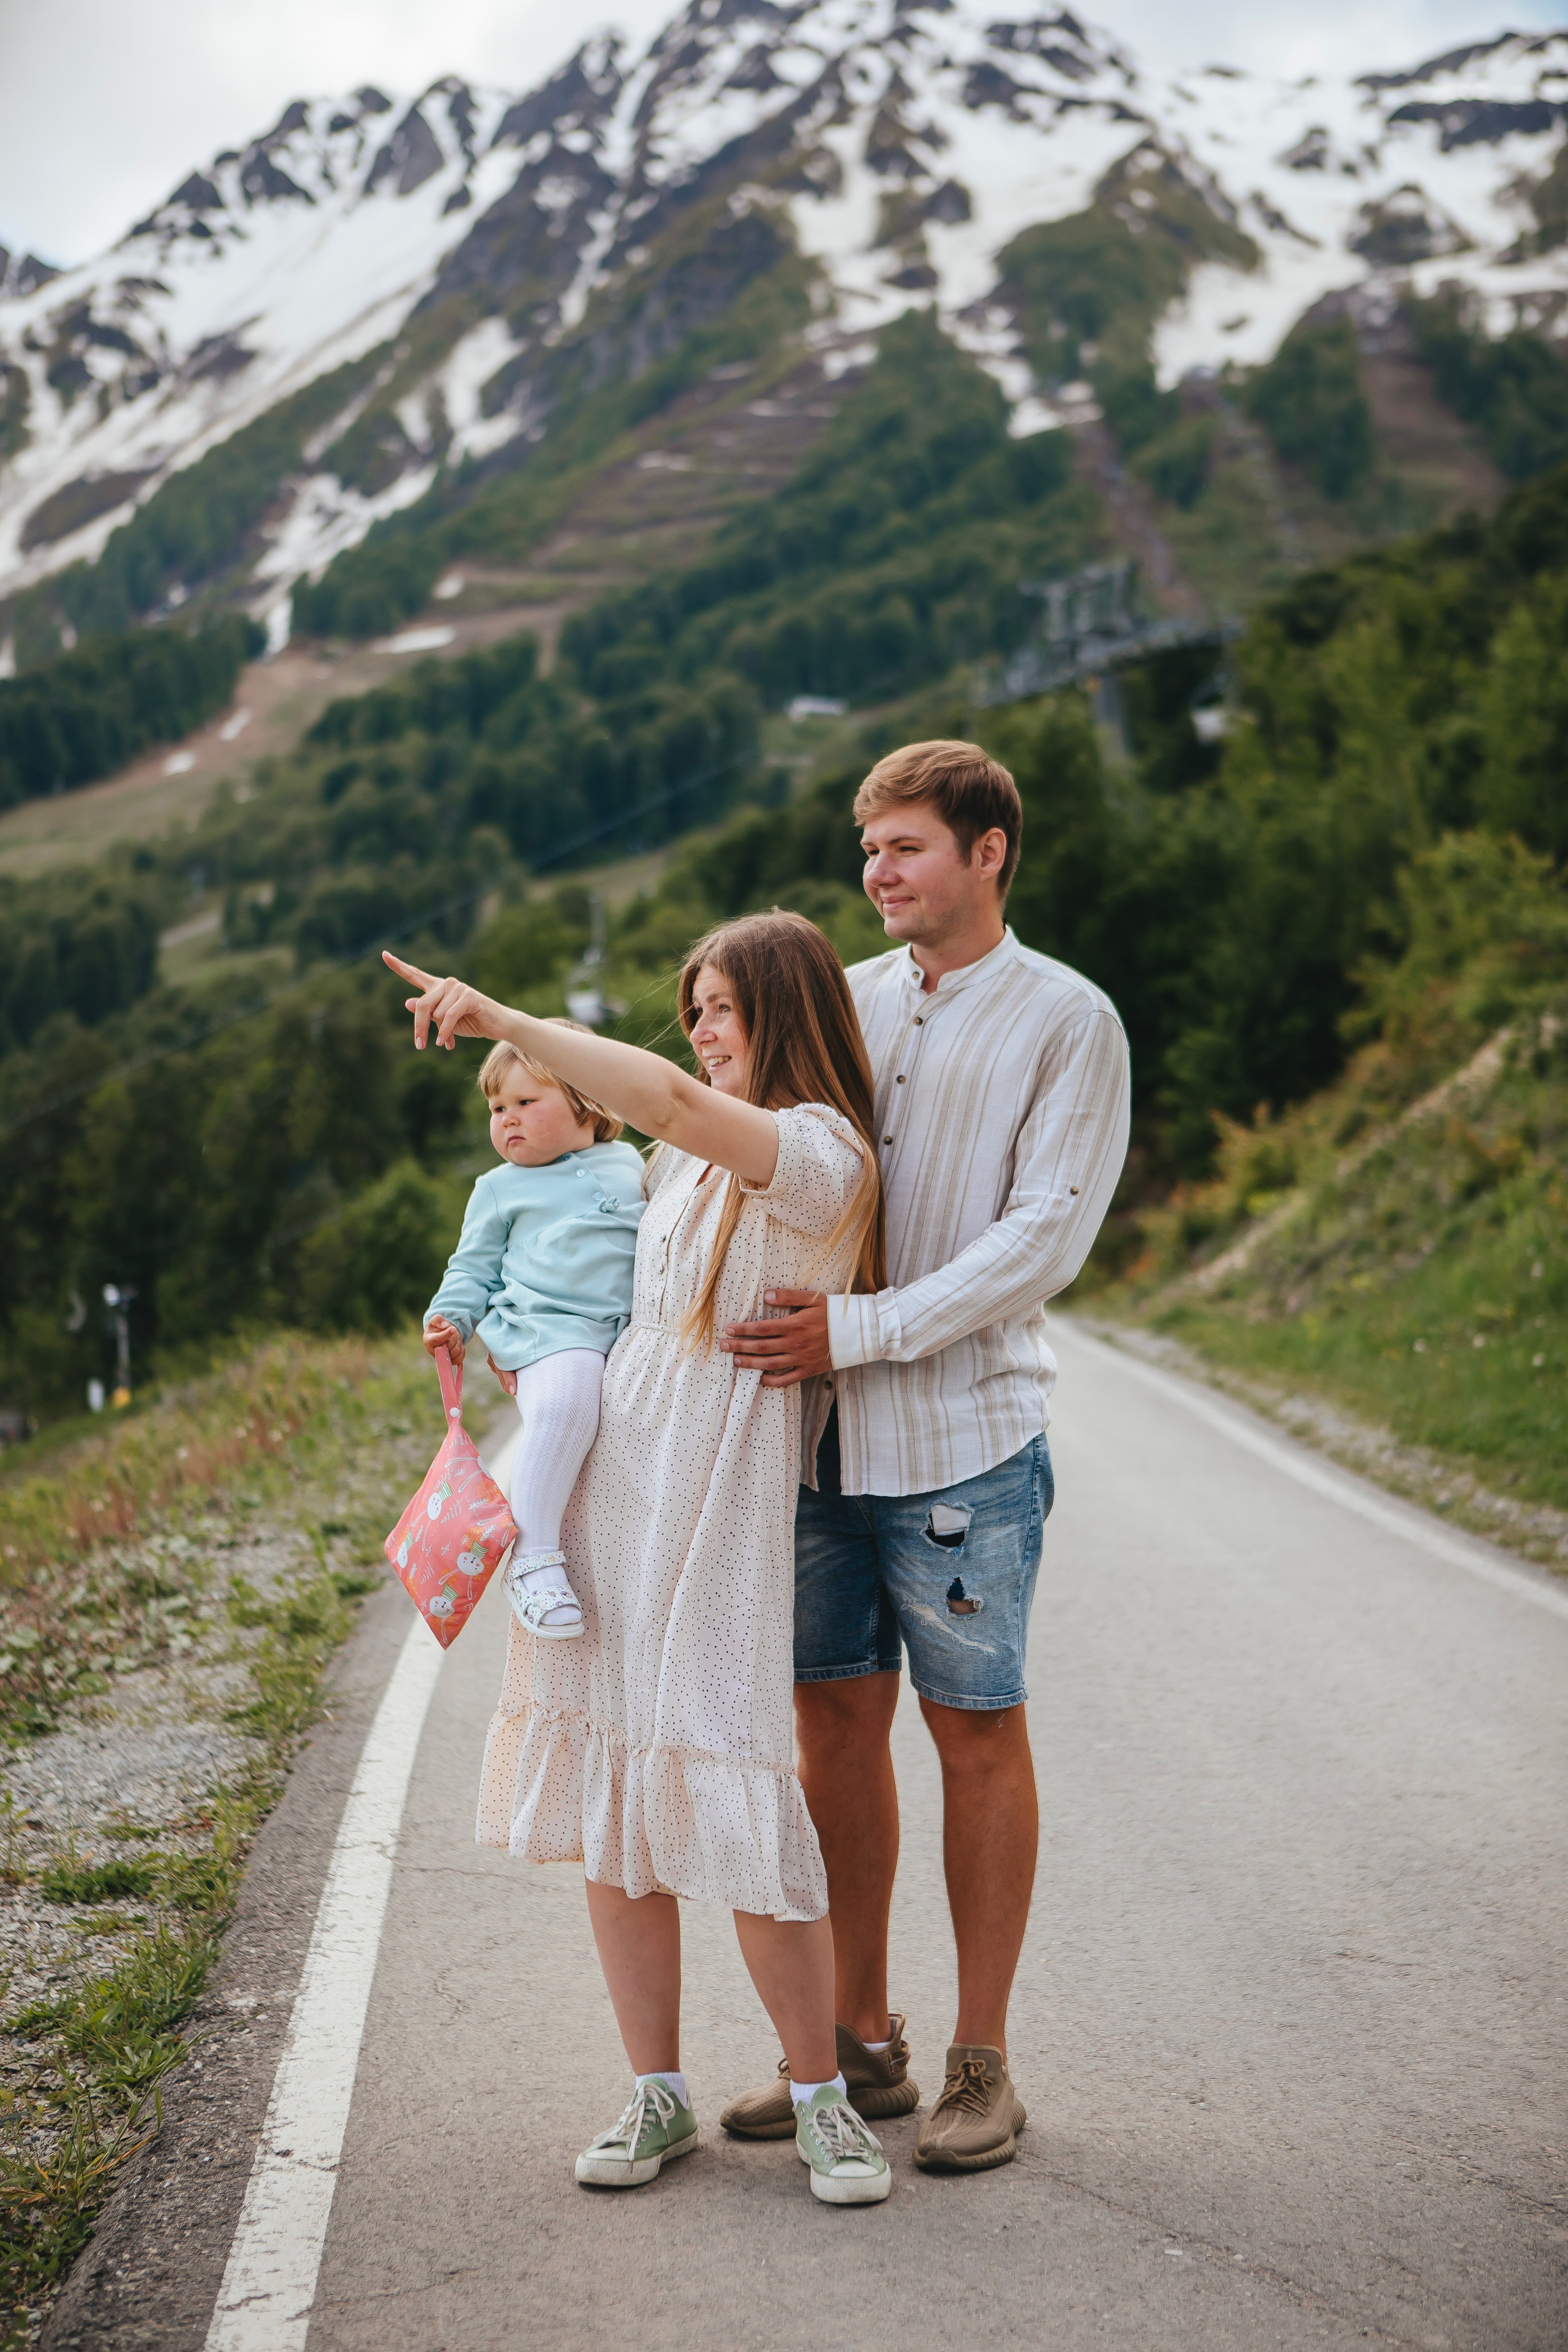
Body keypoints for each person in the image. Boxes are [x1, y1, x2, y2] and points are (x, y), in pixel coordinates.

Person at [383, 913, 897, 2207]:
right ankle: (655, 2093)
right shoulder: (675, 1177)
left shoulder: (815, 1151)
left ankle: (823, 2101)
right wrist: (501, 1335)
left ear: (783, 1010)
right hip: (616, 1488)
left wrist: (501, 1019)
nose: (703, 1032)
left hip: (714, 1506)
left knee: (733, 1785)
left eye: (723, 1007)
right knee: (617, 1803)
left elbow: (656, 1095)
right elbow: (599, 1302)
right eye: (695, 1009)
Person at [719, 740, 1131, 2173]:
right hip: (816, 1444)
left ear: (985, 850)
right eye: (866, 850)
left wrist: (862, 1328)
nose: (874, 873)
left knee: (972, 1732)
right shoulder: (847, 1000)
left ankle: (981, 2060)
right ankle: (857, 2042)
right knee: (825, 1730)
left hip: (961, 1443)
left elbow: (1040, 1241)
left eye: (901, 847)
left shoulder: (1068, 1021)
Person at [421, 1023, 645, 1641]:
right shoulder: (498, 1188)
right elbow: (470, 1268)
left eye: (525, 1102)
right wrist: (449, 1319)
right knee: (567, 1404)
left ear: (585, 1100)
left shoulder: (628, 1162)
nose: (507, 1120)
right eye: (497, 1108)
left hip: (627, 1334)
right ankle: (533, 1560)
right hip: (548, 1331)